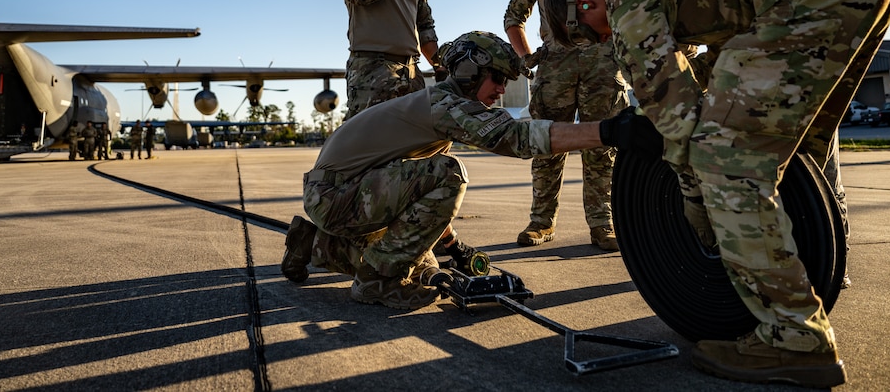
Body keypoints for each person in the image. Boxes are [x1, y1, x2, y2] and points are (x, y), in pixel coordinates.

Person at [541, 0, 890, 388]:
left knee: (723, 163)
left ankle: (794, 339)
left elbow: (679, 123)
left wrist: (698, 209)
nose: (607, 41)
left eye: (594, 33)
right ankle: (796, 277)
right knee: (796, 154)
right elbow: (725, 62)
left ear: (583, 2)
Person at [279, 31, 659, 310]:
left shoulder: (436, 108)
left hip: (337, 195)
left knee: (420, 263)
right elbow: (515, 138)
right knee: (449, 174)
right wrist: (610, 131)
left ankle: (312, 244)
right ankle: (376, 284)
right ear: (468, 71)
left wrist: (452, 246)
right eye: (496, 79)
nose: (499, 91)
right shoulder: (446, 105)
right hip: (338, 196)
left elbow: (411, 191)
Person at [503, 0, 629, 251]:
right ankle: (541, 222)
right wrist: (528, 59)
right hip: (555, 67)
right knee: (547, 146)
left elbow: (628, 11)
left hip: (603, 67)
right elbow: (514, 19)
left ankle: (603, 224)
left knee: (602, 146)